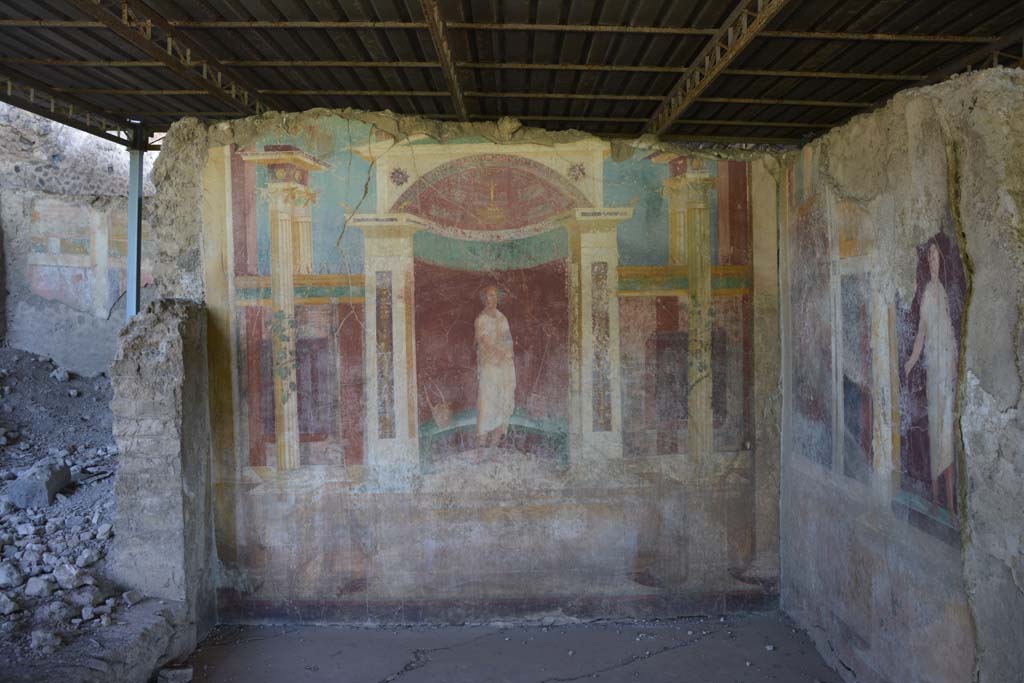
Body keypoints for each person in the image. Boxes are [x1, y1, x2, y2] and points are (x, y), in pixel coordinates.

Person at [904, 243, 957, 513]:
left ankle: (951, 503)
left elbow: (950, 335)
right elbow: (921, 336)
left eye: (935, 256)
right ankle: (937, 499)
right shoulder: (926, 294)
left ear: (941, 260)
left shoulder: (944, 293)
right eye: (929, 257)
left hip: (947, 373)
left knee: (947, 435)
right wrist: (910, 363)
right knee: (937, 434)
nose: (932, 261)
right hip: (934, 373)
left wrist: (955, 370)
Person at [475, 285, 516, 449]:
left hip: (504, 367)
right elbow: (485, 343)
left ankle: (493, 449)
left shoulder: (502, 318)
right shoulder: (481, 320)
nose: (490, 299)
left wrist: (505, 354)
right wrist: (499, 354)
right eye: (487, 296)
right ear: (483, 298)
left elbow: (508, 341)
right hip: (489, 368)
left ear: (498, 298)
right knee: (486, 406)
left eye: (493, 295)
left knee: (502, 404)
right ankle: (481, 448)